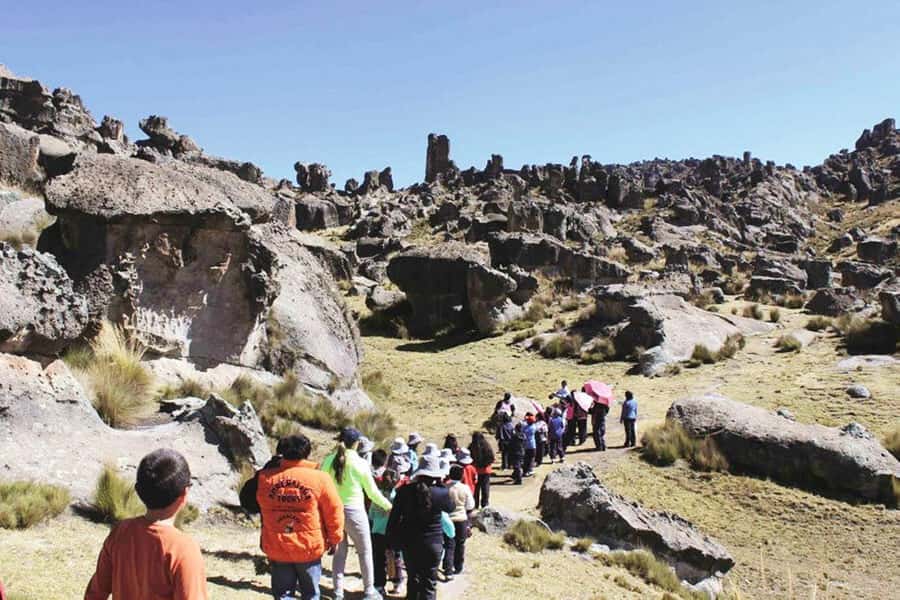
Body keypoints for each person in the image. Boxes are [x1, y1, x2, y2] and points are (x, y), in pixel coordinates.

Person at [85, 448, 208, 600]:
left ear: (138, 491)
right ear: (184, 494)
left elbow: (95, 593)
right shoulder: (184, 549)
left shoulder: (120, 532)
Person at [240, 435, 344, 600]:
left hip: (277, 544)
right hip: (308, 546)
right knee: (310, 594)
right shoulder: (320, 478)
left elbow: (248, 501)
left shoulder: (265, 478)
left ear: (282, 452)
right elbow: (334, 510)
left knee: (283, 595)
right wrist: (335, 537)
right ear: (307, 452)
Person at [321, 427, 393, 600]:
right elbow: (372, 492)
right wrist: (388, 506)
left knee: (340, 553)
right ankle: (369, 591)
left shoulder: (329, 460)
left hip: (333, 511)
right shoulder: (360, 463)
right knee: (365, 551)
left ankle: (338, 593)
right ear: (357, 443)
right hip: (354, 510)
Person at [385, 454, 455, 600]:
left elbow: (394, 518)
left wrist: (390, 541)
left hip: (409, 542)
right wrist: (441, 485)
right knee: (429, 582)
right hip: (433, 543)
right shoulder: (441, 493)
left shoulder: (404, 491)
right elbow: (451, 507)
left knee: (413, 578)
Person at [442, 465, 475, 579]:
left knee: (448, 544)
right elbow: (470, 505)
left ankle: (447, 568)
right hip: (461, 519)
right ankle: (458, 566)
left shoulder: (445, 487)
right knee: (460, 544)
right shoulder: (465, 488)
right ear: (462, 476)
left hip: (447, 519)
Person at [370, 468, 399, 597]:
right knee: (394, 557)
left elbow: (371, 514)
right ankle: (396, 582)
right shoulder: (396, 496)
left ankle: (379, 585)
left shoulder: (377, 495)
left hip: (377, 531)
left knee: (378, 559)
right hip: (392, 532)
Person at [468, 432, 494, 508]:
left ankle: (475, 504)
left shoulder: (471, 446)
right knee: (485, 487)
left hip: (475, 470)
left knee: (476, 488)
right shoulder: (487, 446)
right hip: (486, 470)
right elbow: (491, 457)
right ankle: (485, 504)